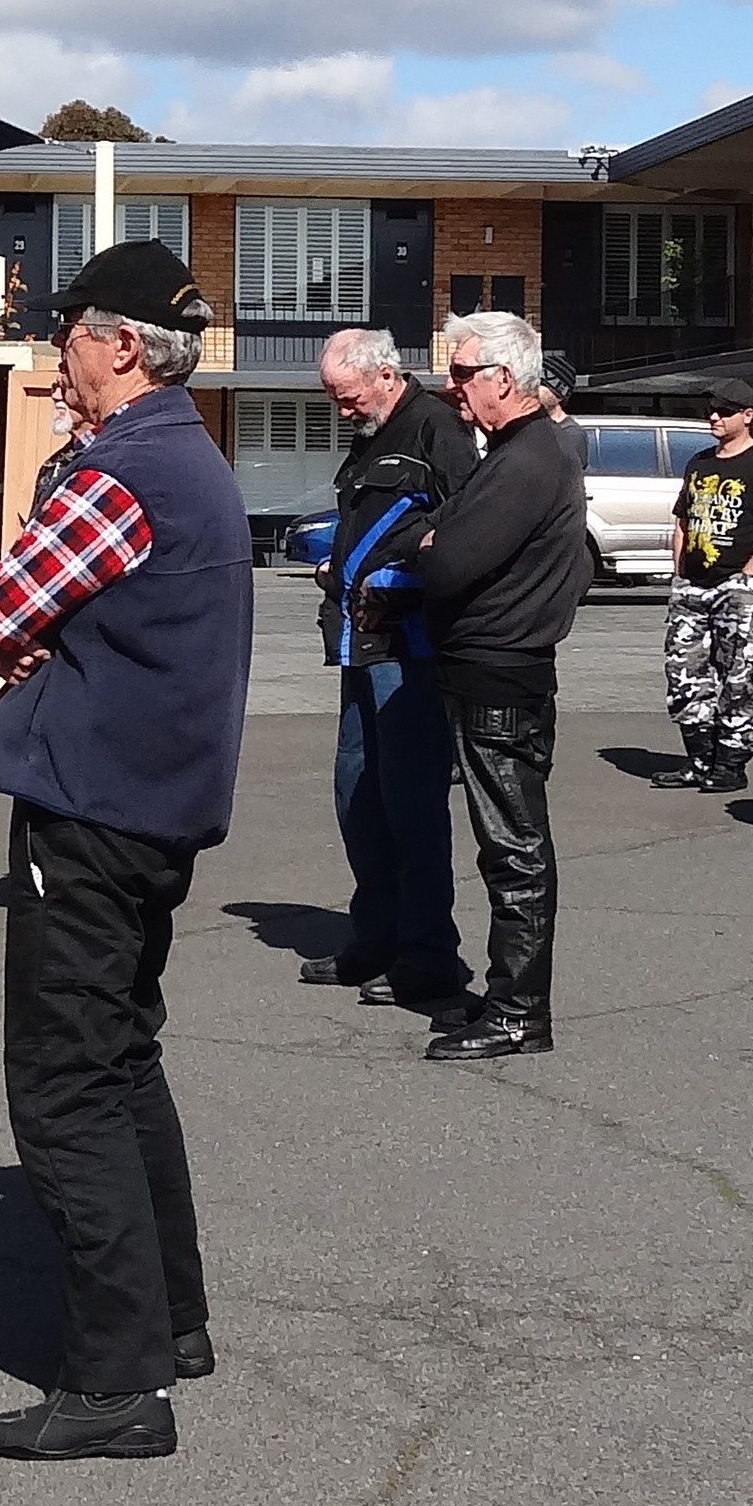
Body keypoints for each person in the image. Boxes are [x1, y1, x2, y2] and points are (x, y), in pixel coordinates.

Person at [0, 241, 255, 1460]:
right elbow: (44, 612)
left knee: (65, 1081)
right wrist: (48, 625)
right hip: (151, 803)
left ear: (121, 344)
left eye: (66, 333)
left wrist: (30, 626)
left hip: (93, 805)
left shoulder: (124, 468)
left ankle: (118, 1382)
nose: (55, 356)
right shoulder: (186, 456)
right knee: (122, 1062)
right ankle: (170, 1322)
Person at [407, 307, 592, 1060]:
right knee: (504, 845)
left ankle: (519, 1010)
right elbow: (438, 532)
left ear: (505, 378)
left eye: (461, 373)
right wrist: (432, 541)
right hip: (487, 670)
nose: (451, 387)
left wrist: (433, 549)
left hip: (501, 679)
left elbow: (448, 559)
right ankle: (509, 997)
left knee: (513, 848)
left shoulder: (530, 458)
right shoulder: (514, 451)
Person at [303, 325, 475, 1013]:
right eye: (334, 398)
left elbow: (465, 531)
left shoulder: (437, 428)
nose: (342, 409)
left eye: (347, 396)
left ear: (385, 374)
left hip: (410, 651)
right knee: (359, 800)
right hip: (360, 645)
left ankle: (428, 956)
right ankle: (374, 940)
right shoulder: (371, 433)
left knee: (411, 808)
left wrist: (399, 583)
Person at [660, 376, 753, 791]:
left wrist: (748, 576)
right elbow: (683, 520)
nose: (714, 417)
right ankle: (700, 759)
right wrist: (681, 573)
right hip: (693, 588)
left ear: (747, 416)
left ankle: (731, 765)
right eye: (711, 410)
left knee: (738, 677)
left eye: (724, 411)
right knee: (683, 673)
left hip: (744, 591)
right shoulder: (699, 463)